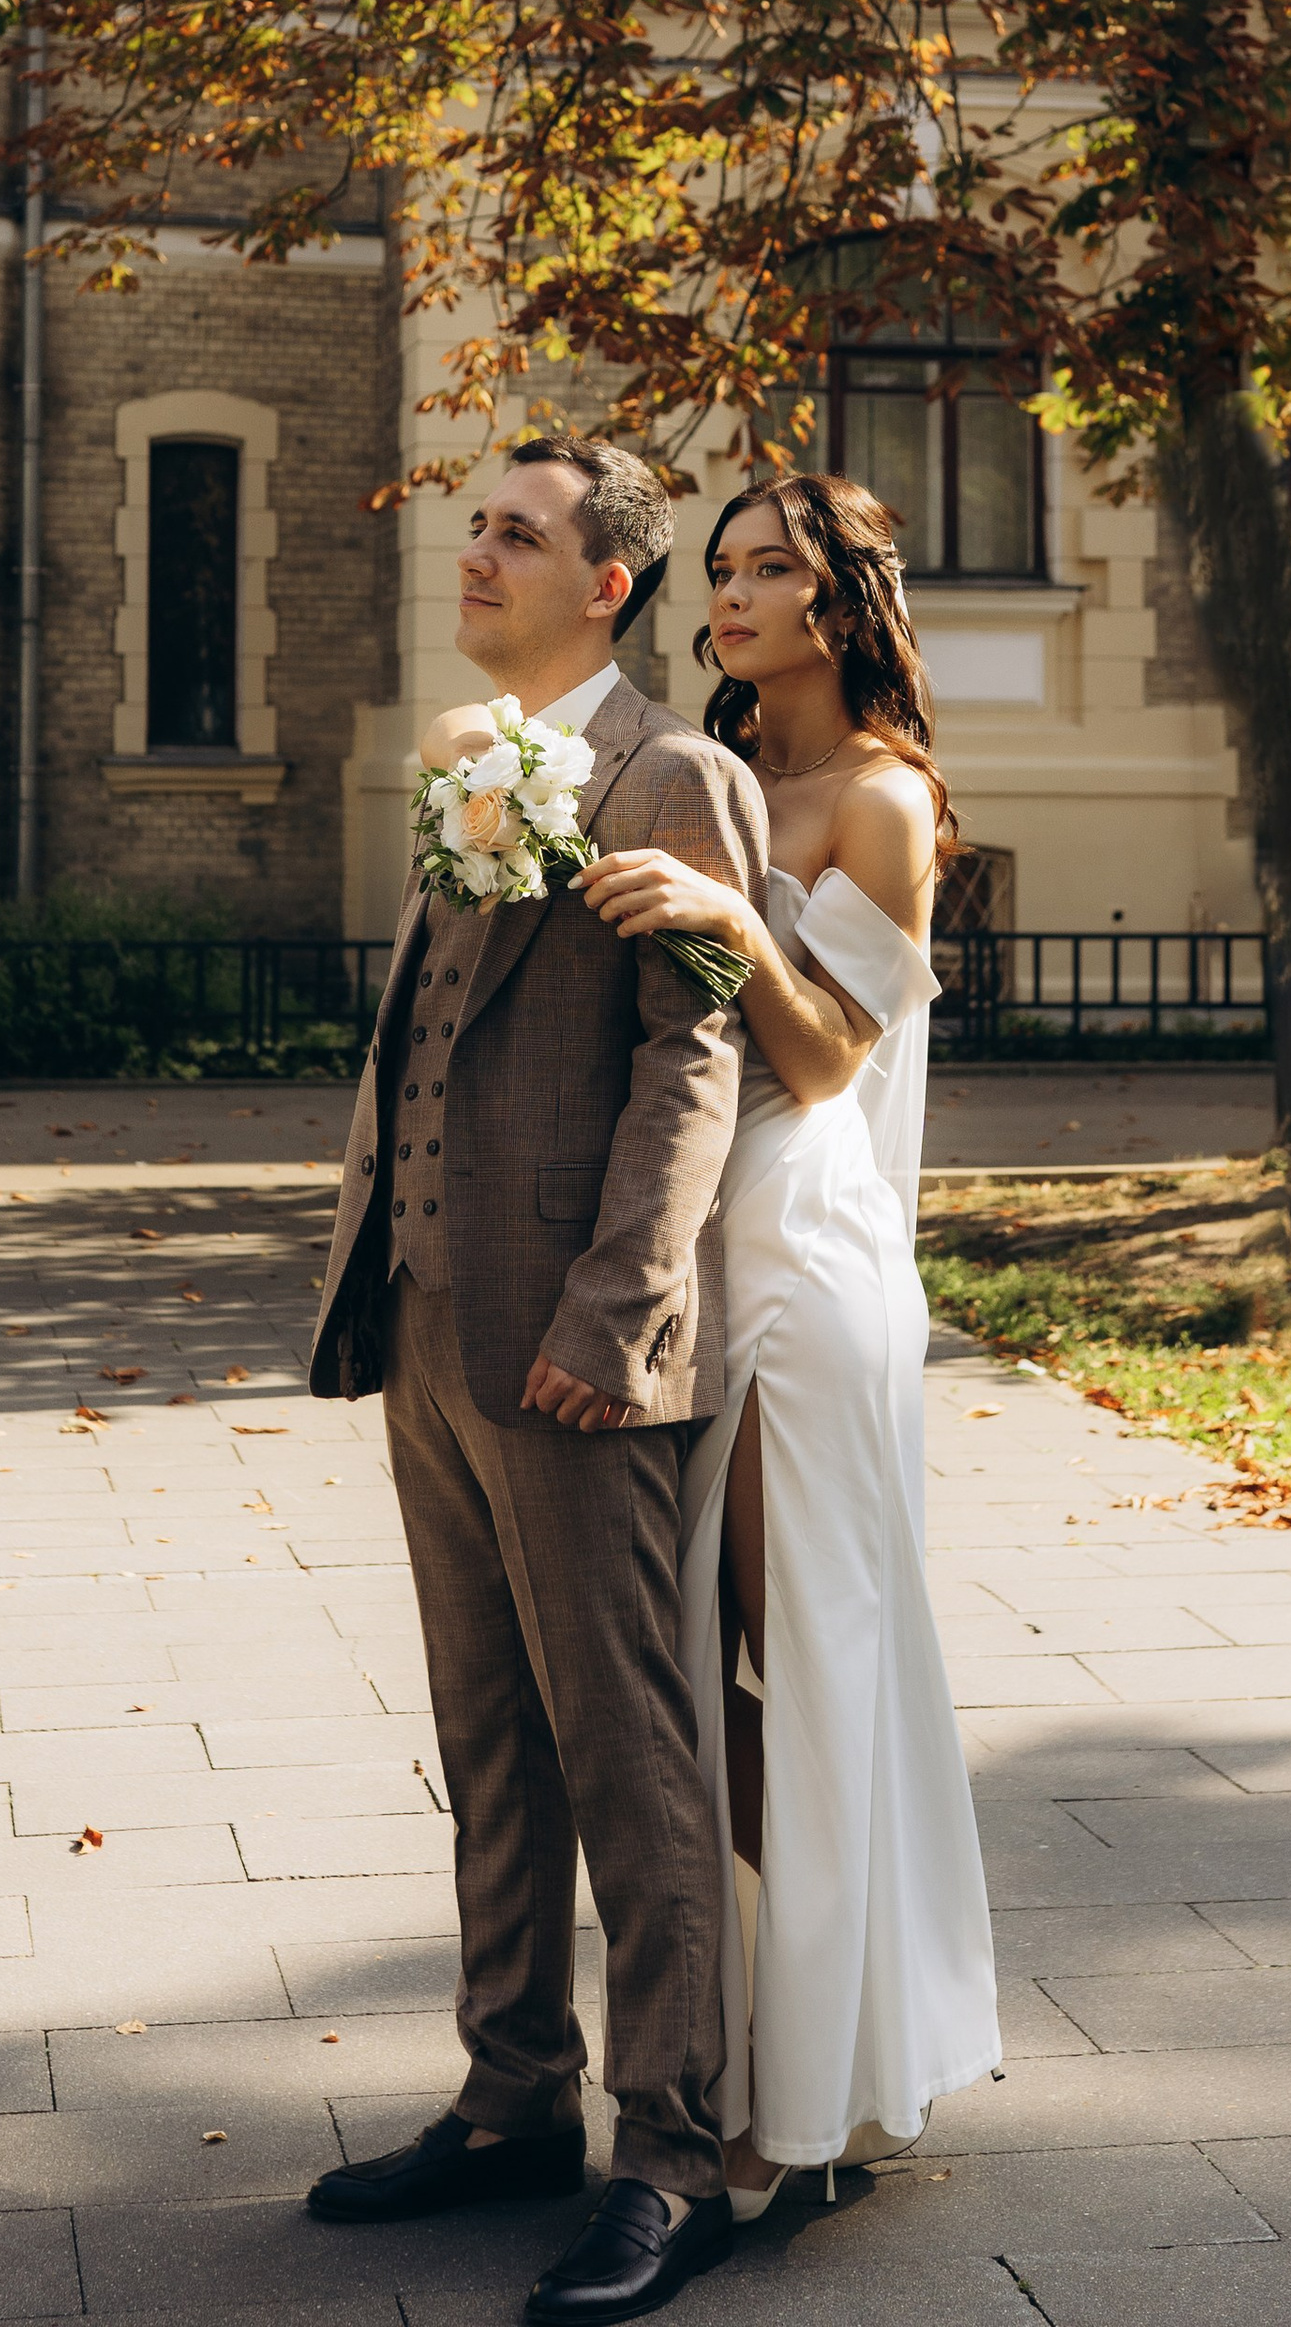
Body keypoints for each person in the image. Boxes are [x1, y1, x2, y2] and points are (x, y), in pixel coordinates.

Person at [304, 432, 770, 2324]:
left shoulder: (680, 772)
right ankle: (514, 2099)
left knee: (629, 1746)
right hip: (429, 1317)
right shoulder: (468, 762)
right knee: (486, 1739)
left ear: (612, 585)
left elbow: (695, 1059)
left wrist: (620, 1307)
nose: (473, 553)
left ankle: (672, 2150)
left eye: (517, 533)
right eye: (472, 524)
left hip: (575, 1349)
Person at [576, 472, 999, 2212]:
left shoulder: (882, 800)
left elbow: (829, 1059)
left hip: (804, 1263)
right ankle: (802, 2028)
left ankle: (809, 2106)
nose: (732, 595)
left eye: (772, 570)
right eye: (726, 568)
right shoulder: (718, 775)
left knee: (790, 1669)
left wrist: (735, 919)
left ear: (843, 606)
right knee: (698, 1679)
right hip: (696, 1244)